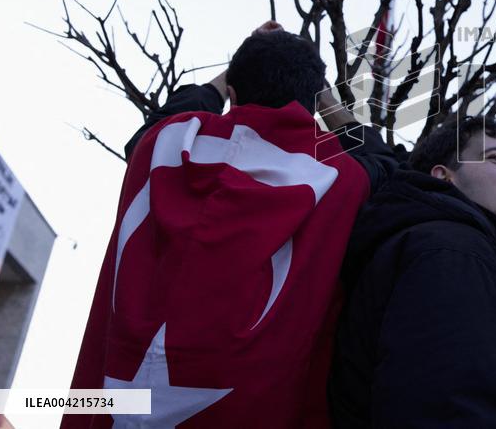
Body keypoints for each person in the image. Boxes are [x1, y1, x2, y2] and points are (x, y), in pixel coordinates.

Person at [64, 22, 396, 428]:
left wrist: (228, 76)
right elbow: (388, 163)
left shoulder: (163, 145)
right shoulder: (337, 177)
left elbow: (169, 116)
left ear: (233, 94)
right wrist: (324, 97)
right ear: (311, 103)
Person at [328, 115, 496, 428]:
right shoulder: (453, 251)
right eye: (495, 158)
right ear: (444, 176)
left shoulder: (429, 240)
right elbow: (449, 410)